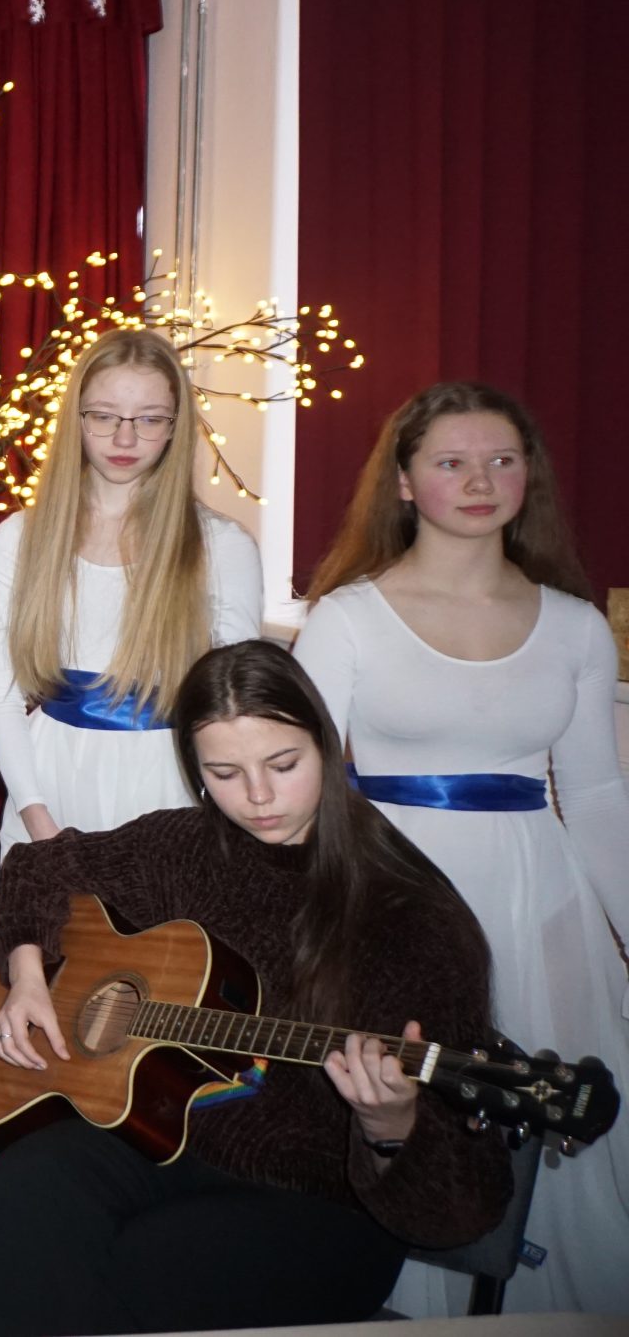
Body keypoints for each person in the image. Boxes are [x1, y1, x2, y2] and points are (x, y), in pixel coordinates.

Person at [0, 640, 514, 1336]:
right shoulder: (186, 847)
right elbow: (41, 866)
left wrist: (391, 1127)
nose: (257, 796)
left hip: (328, 1204)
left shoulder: (413, 918)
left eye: (283, 764)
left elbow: (464, 1203)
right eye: (224, 772)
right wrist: (28, 972)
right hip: (171, 1137)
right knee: (19, 1192)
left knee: (128, 1268)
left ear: (327, 745)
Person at [295, 381, 627, 1316]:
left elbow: (596, 796)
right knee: (412, 1104)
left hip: (538, 899)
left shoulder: (575, 623)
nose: (480, 481)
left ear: (529, 476)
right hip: (392, 898)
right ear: (404, 481)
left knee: (547, 1113)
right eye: (451, 462)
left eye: (501, 461)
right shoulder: (346, 617)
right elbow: (302, 787)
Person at [0, 328, 262, 849]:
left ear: (176, 427)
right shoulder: (20, 537)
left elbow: (235, 709)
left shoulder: (223, 546)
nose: (125, 440)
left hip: (172, 793)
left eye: (150, 419)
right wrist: (37, 821)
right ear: (76, 418)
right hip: (46, 787)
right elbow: (0, 695)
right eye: (104, 416)